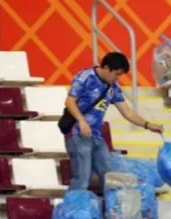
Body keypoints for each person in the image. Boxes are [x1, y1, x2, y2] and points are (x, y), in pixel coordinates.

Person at [64, 52, 163, 190]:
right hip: (77, 133)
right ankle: (74, 210)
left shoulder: (113, 88)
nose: (117, 78)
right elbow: (70, 102)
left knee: (109, 176)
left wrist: (148, 125)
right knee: (82, 177)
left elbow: (127, 112)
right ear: (106, 67)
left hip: (96, 136)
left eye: (120, 75)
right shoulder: (85, 77)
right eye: (116, 74)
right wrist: (81, 121)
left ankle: (112, 209)